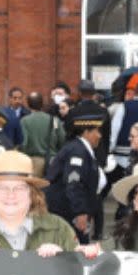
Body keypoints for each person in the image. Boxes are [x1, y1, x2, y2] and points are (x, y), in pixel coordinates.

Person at [44, 101, 109, 245]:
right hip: (67, 213)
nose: (100, 136)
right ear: (86, 132)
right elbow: (74, 183)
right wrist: (80, 213)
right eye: (97, 131)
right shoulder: (77, 152)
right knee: (76, 249)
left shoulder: (81, 149)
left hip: (69, 212)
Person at [19, 92, 63, 174]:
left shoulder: (24, 121)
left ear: (28, 104)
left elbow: (24, 144)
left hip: (33, 162)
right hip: (52, 161)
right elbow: (62, 139)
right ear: (42, 104)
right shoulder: (54, 120)